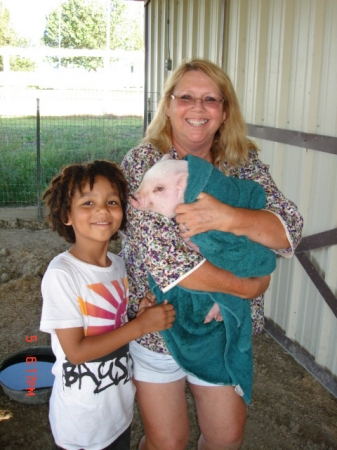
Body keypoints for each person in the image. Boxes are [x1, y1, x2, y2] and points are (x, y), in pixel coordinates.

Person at [120, 59, 303, 450]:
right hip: (157, 322)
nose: (197, 108)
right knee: (167, 442)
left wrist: (228, 216)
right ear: (168, 105)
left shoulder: (243, 163)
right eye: (185, 97)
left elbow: (287, 231)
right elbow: (167, 262)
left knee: (225, 437)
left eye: (210, 99)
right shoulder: (143, 163)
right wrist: (250, 286)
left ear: (224, 112)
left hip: (224, 328)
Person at [39, 160, 176, 450]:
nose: (102, 210)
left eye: (111, 201)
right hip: (81, 423)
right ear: (67, 215)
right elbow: (76, 352)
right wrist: (140, 327)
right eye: (88, 203)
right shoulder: (62, 274)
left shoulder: (118, 266)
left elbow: (113, 328)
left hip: (117, 415)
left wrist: (136, 317)